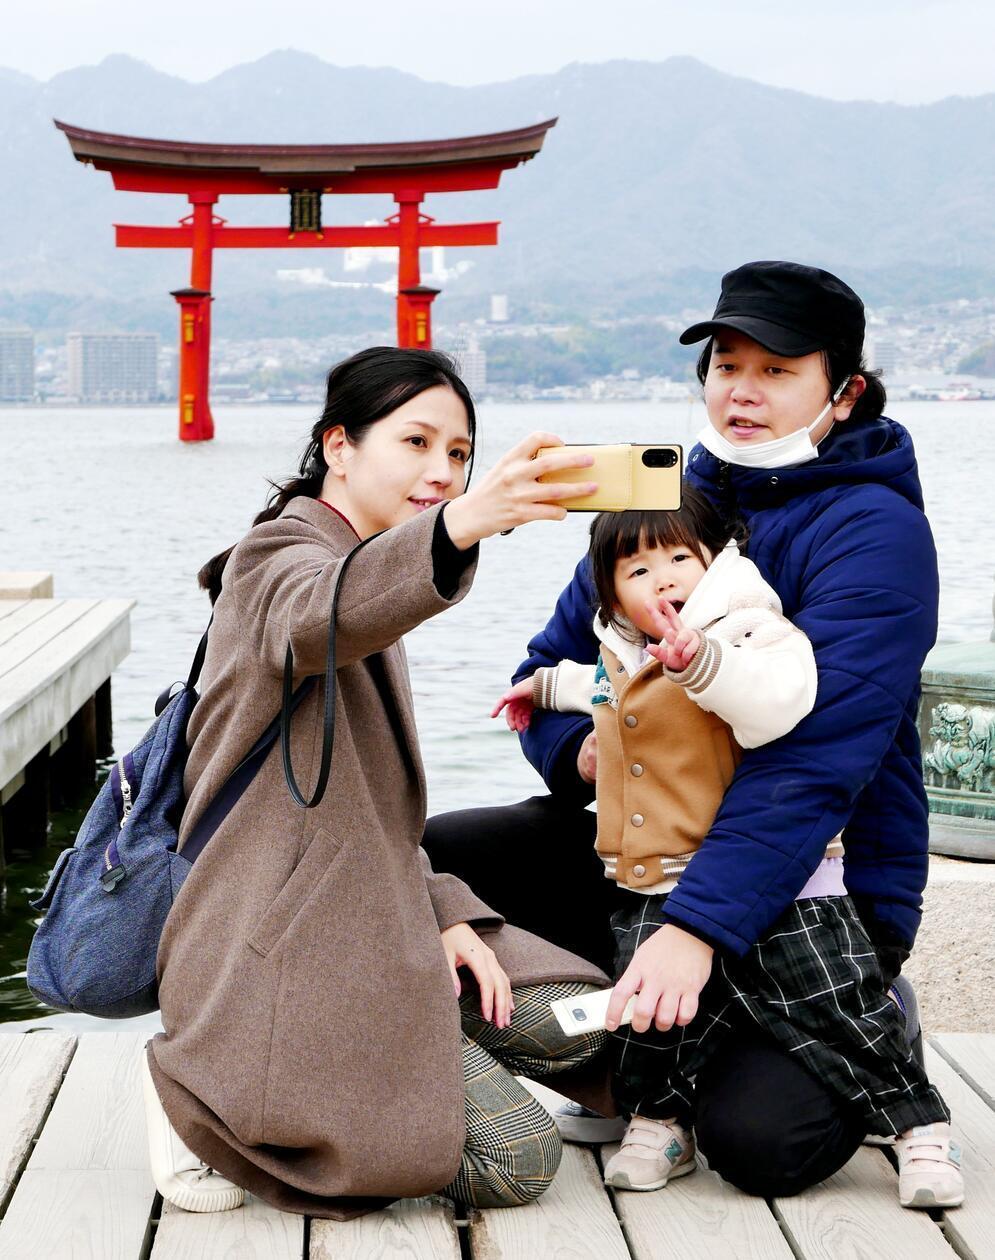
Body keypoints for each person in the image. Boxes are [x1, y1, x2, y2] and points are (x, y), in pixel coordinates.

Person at [424, 262, 964, 1208]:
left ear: (844, 393)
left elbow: (810, 766)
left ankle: (864, 1012)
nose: (740, 391)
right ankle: (603, 1063)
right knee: (426, 862)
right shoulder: (672, 495)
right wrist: (578, 753)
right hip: (654, 851)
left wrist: (694, 930)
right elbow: (556, 663)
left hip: (817, 887)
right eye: (724, 363)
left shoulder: (874, 533)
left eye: (776, 370)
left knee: (756, 1148)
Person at [141, 346, 615, 1221]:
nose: (439, 471)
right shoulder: (275, 559)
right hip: (277, 949)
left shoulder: (365, 563)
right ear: (339, 447)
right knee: (515, 1160)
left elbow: (372, 815)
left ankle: (419, 1034)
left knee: (588, 1021)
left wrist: (445, 916)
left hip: (377, 911)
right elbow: (314, 614)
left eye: (460, 454)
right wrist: (465, 521)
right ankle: (195, 1092)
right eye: (417, 443)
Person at [491, 490, 954, 1204]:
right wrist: (536, 695)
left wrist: (702, 663)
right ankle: (658, 1120)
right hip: (650, 875)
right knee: (656, 1019)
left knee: (833, 1007)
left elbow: (778, 703)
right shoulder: (620, 649)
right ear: (607, 589)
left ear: (713, 561)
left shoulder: (745, 629)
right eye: (638, 571)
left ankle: (915, 1127)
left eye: (680, 558)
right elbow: (588, 684)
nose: (664, 579)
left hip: (782, 886)